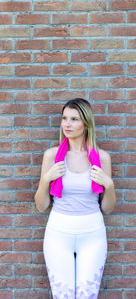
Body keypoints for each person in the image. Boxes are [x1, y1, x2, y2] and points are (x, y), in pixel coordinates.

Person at [34, 98, 116, 299]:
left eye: (74, 119)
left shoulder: (102, 158)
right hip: (58, 233)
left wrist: (109, 185)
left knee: (87, 295)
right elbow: (41, 205)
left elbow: (108, 208)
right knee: (63, 295)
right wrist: (46, 179)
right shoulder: (52, 156)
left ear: (86, 124)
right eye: (64, 118)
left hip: (92, 234)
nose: (67, 124)